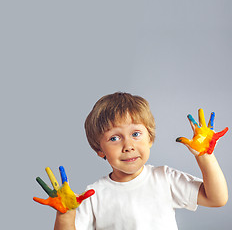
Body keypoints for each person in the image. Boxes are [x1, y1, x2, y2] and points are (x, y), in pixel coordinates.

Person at [51, 92, 228, 230]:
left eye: (136, 134)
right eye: (114, 138)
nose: (128, 146)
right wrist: (65, 215)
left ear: (150, 138)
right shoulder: (93, 194)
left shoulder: (165, 178)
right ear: (99, 149)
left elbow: (216, 199)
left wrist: (205, 156)